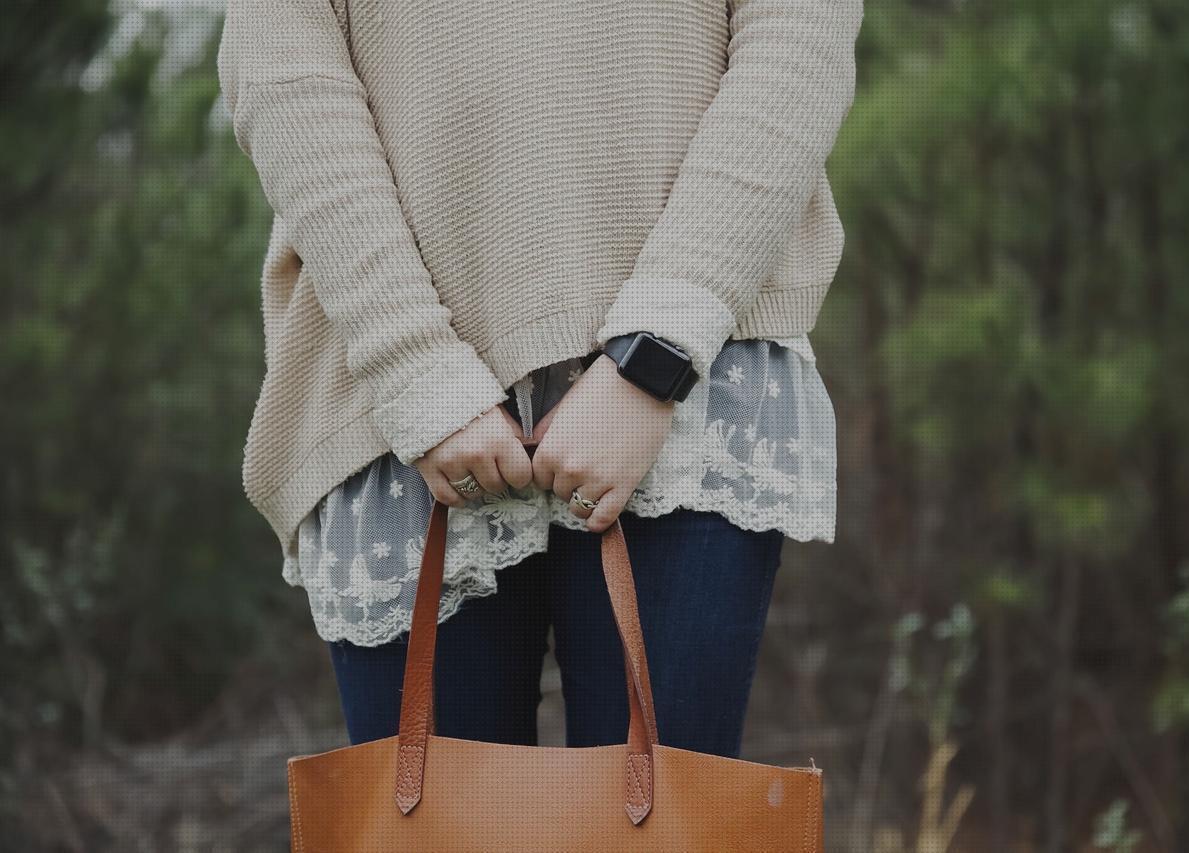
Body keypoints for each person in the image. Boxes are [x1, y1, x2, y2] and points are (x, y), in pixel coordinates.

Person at [216, 0, 862, 756]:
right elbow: (285, 72)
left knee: (659, 836)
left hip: (693, 381)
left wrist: (657, 352)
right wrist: (413, 367)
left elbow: (798, 38)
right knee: (434, 837)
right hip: (392, 391)